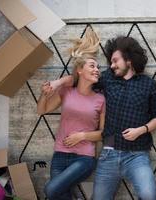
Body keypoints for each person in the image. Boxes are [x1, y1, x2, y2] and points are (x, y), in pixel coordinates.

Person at [53, 36, 156, 200]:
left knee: (149, 195)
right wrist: (58, 83)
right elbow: (78, 79)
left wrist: (141, 130)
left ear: (129, 59)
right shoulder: (108, 79)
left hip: (137, 155)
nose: (111, 65)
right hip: (109, 154)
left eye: (115, 60)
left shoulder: (149, 84)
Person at [37, 29, 105, 200]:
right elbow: (41, 110)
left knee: (51, 190)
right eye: (92, 65)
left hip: (84, 159)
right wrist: (44, 94)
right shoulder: (67, 92)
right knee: (60, 196)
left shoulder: (101, 99)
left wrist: (82, 136)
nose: (97, 69)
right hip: (60, 155)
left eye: (98, 67)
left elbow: (104, 133)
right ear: (80, 71)